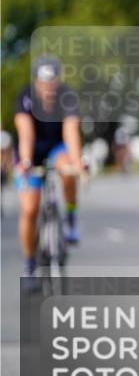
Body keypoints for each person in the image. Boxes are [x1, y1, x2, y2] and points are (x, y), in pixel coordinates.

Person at [13, 56, 84, 286]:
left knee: (68, 169)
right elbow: (26, 133)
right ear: (36, 82)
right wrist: (25, 162)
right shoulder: (25, 97)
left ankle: (71, 217)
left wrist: (77, 162)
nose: (49, 88)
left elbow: (71, 131)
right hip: (31, 152)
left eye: (52, 82)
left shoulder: (67, 97)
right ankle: (29, 263)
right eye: (44, 83)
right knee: (30, 209)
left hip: (56, 148)